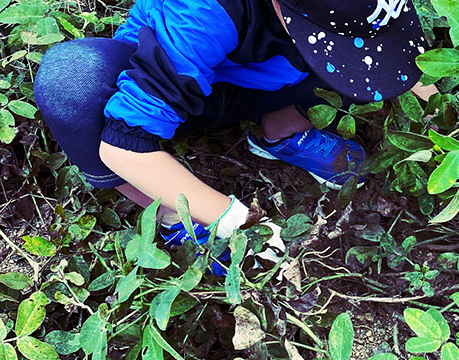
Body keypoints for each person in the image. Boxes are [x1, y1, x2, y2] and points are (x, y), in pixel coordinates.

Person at [34, 0, 427, 275]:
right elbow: (125, 147)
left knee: (359, 64)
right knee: (72, 81)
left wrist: (429, 90)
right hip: (172, 81)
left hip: (263, 79)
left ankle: (281, 131)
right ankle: (174, 214)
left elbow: (381, 44)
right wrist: (236, 221)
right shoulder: (202, 11)